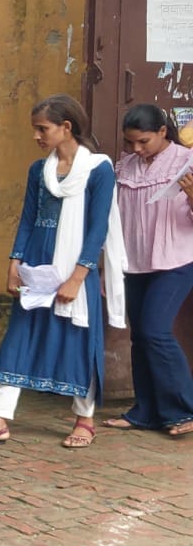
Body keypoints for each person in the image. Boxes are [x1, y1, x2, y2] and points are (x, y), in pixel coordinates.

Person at [0, 95, 125, 449]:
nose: (36, 136)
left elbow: (98, 229)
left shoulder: (98, 169)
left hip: (76, 267)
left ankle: (85, 419)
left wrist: (77, 278)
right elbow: (28, 219)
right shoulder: (39, 171)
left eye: (42, 129)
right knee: (19, 338)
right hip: (37, 265)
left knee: (79, 341)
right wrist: (14, 264)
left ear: (66, 127)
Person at [102, 104, 193, 437]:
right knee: (139, 337)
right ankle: (147, 411)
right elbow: (113, 218)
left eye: (143, 141)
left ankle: (184, 408)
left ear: (163, 132)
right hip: (134, 262)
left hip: (176, 261)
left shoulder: (187, 161)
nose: (136, 149)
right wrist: (107, 265)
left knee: (156, 332)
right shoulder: (124, 166)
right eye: (130, 142)